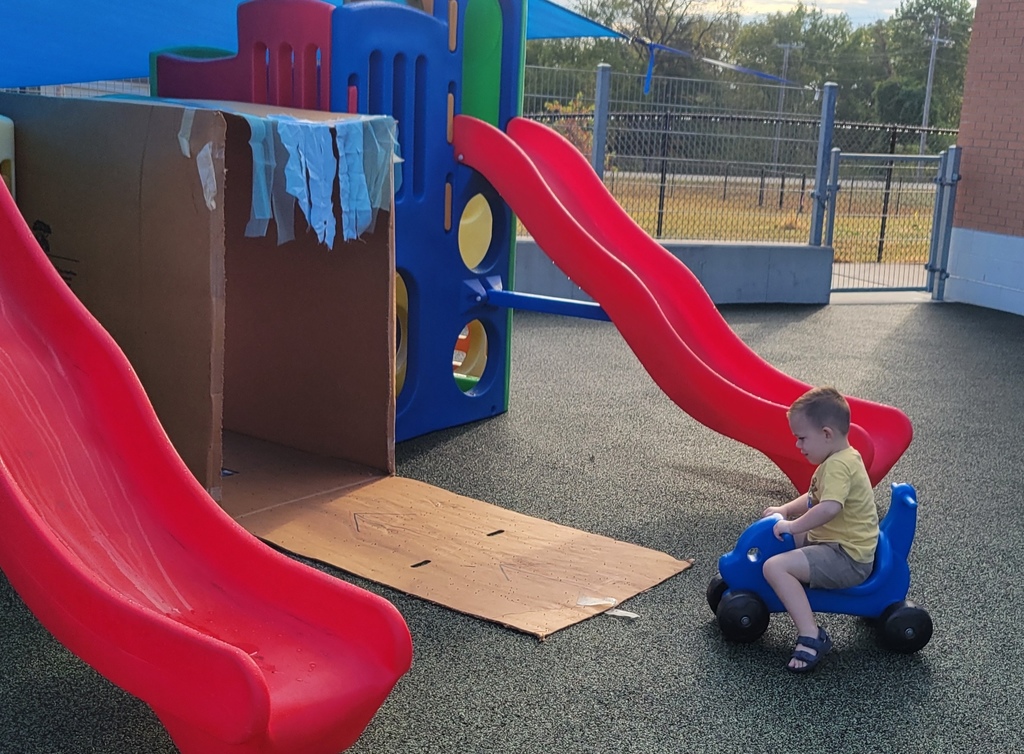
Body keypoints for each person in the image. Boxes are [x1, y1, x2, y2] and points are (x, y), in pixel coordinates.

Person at [761, 386, 878, 673]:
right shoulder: (840, 458)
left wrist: (791, 524)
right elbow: (815, 498)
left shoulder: (838, 466)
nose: (798, 446)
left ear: (826, 434)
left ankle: (811, 635)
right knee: (789, 536)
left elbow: (828, 508)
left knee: (775, 567)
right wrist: (786, 510)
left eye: (802, 438)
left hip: (847, 557)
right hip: (837, 543)